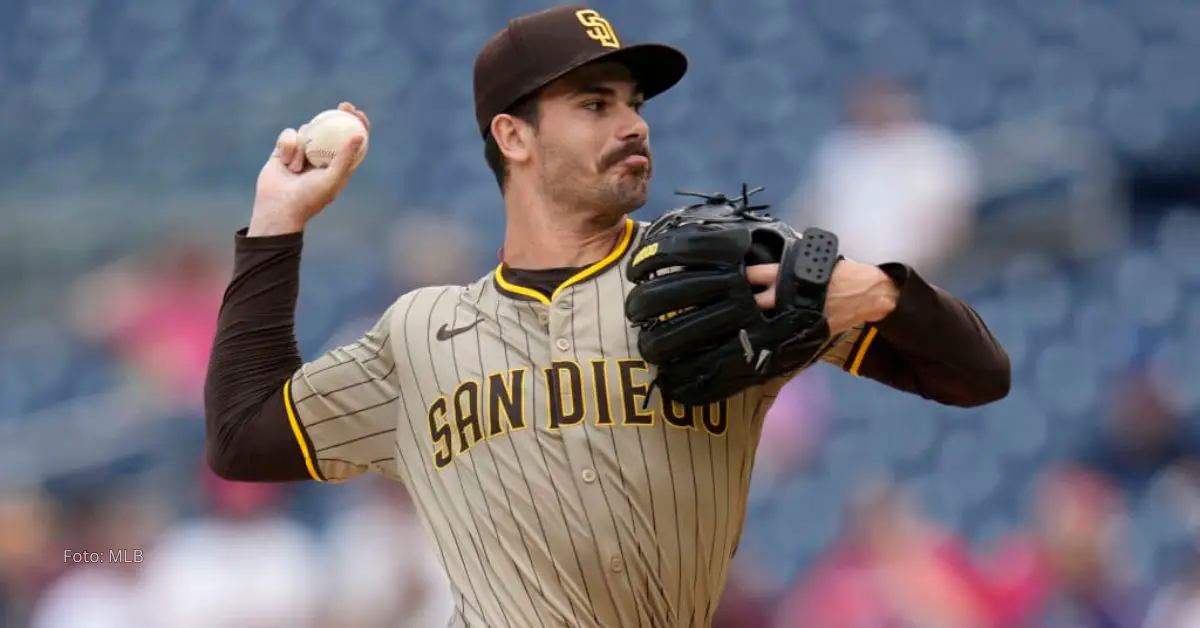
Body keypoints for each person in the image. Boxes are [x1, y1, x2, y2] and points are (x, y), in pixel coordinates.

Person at [203, 5, 1010, 627]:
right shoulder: (418, 333)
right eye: (594, 103)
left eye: (633, 102)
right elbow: (241, 438)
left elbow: (981, 377)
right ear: (512, 136)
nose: (634, 123)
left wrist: (883, 291)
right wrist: (277, 221)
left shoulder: (717, 279)